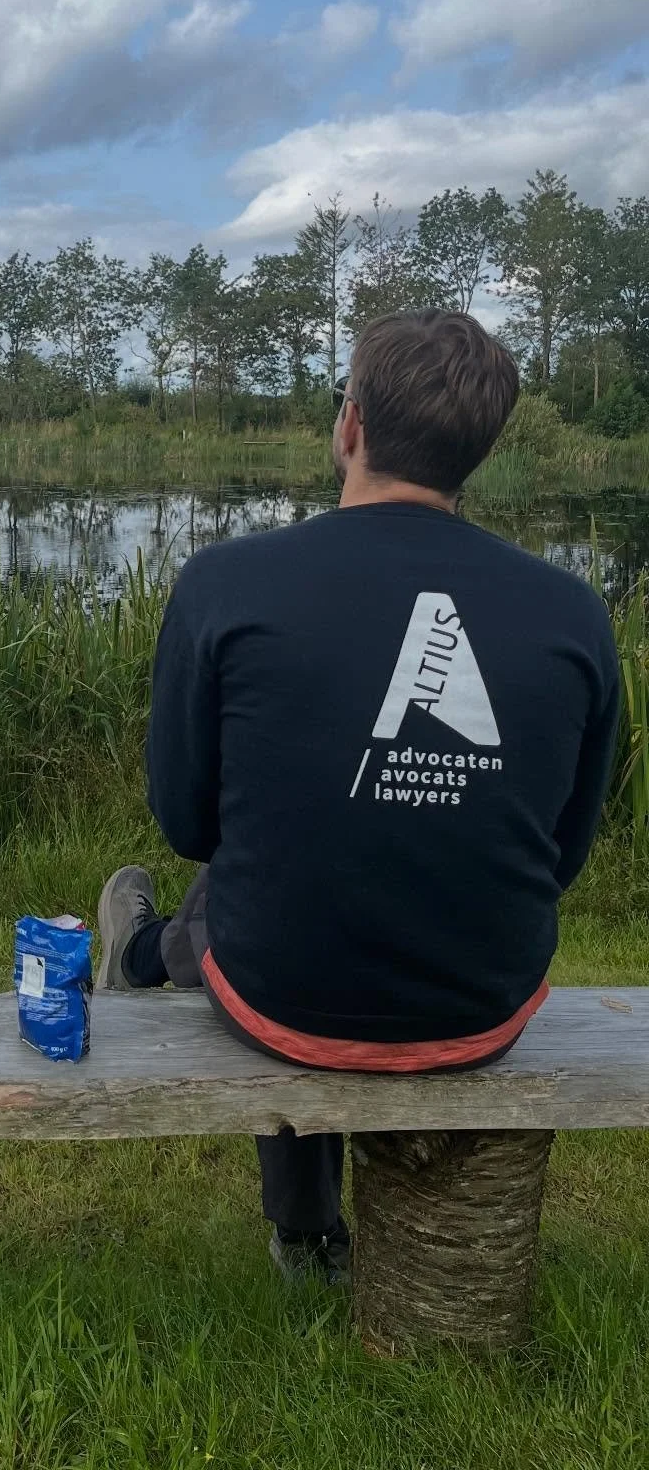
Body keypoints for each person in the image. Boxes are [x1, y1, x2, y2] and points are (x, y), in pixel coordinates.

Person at [96, 310, 621, 1283]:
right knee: (287, 871)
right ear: (480, 453)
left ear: (350, 425)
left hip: (281, 996)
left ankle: (300, 1228)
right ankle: (148, 949)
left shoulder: (225, 582)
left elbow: (185, 819)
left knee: (242, 880)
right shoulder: (575, 614)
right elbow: (565, 851)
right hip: (484, 1004)